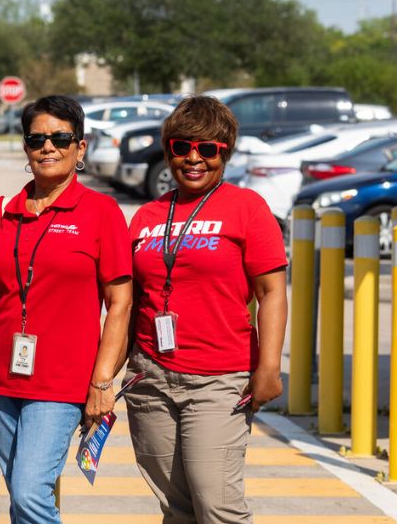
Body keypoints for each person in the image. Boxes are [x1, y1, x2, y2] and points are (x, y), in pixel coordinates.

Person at [0, 95, 133, 524]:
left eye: (60, 138)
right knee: (22, 496)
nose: (48, 147)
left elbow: (120, 304)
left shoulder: (101, 213)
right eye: (37, 139)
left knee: (31, 495)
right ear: (26, 148)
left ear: (80, 148)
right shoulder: (2, 211)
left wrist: (103, 381)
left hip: (62, 383)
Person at [123, 95, 288, 524]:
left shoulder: (247, 209)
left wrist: (268, 367)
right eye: (182, 147)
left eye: (208, 149)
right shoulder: (146, 216)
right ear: (168, 151)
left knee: (217, 506)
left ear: (225, 154)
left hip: (218, 378)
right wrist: (106, 377)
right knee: (176, 508)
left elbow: (272, 292)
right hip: (150, 378)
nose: (194, 159)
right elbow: (129, 301)